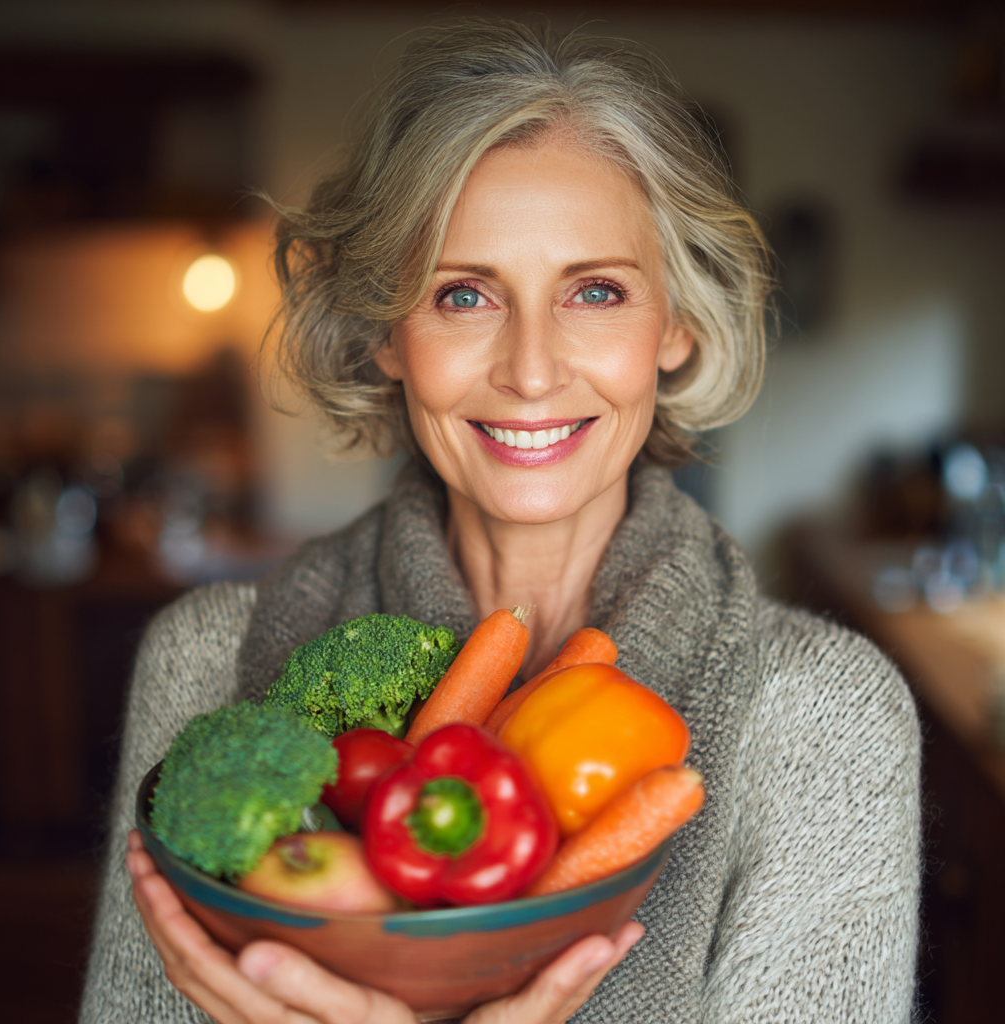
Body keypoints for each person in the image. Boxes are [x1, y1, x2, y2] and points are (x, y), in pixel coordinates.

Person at [81, 19, 920, 1024]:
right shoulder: (206, 661)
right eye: (465, 293)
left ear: (677, 325)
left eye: (596, 291)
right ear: (388, 334)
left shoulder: (826, 717)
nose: (529, 369)